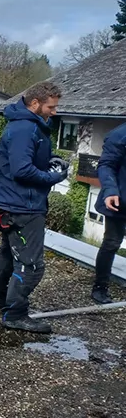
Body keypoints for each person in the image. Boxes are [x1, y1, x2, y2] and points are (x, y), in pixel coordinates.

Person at [0, 81, 68, 333]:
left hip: (10, 201)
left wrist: (48, 161)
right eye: (50, 107)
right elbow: (22, 170)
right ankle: (15, 314)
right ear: (35, 104)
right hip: (24, 205)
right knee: (31, 264)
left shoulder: (24, 125)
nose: (53, 112)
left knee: (8, 255)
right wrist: (54, 177)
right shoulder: (25, 129)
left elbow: (22, 161)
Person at [92, 121, 126, 304]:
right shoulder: (119, 135)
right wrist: (111, 191)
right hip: (118, 200)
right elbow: (106, 165)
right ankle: (100, 287)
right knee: (112, 243)